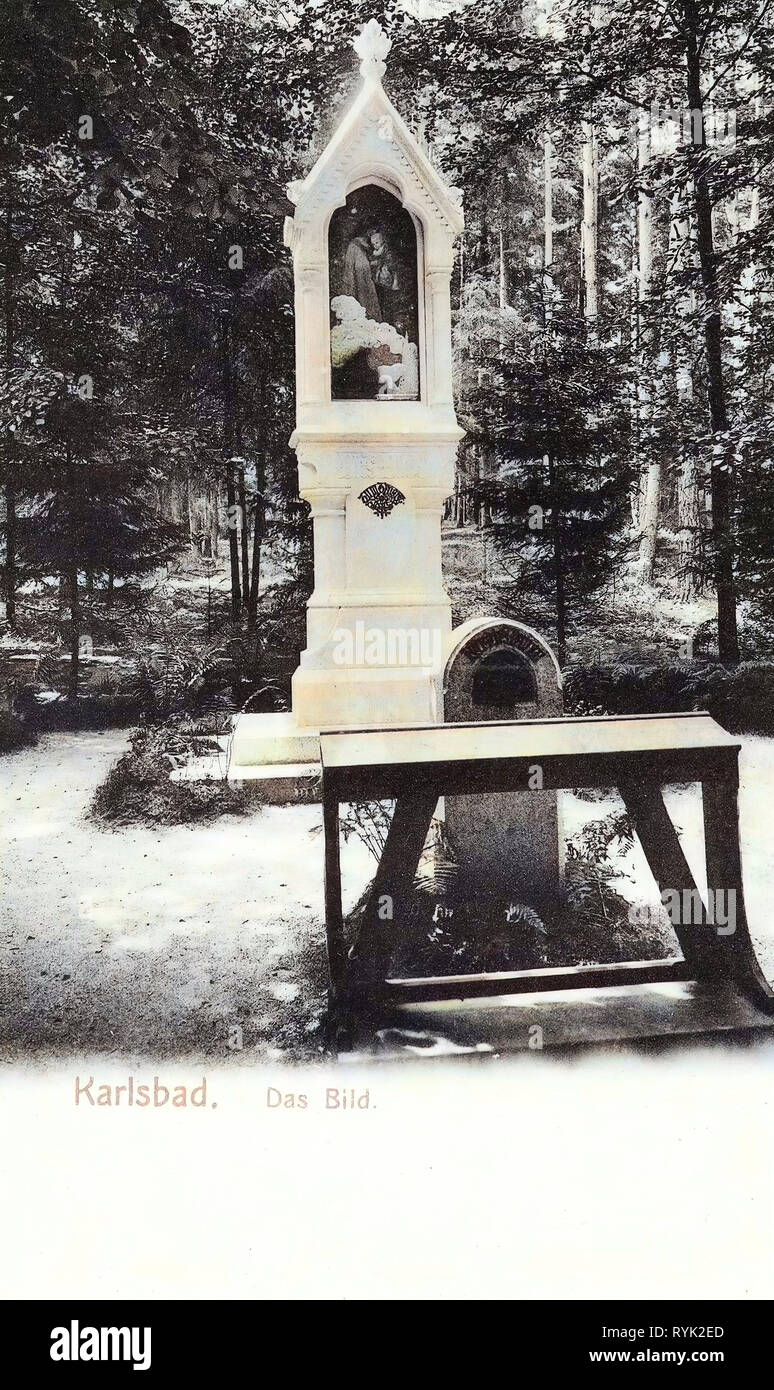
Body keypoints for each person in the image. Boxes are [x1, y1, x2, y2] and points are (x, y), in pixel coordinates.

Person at [342, 231, 382, 323]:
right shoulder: (355, 246)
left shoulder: (367, 247)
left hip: (367, 281)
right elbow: (355, 269)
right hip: (360, 282)